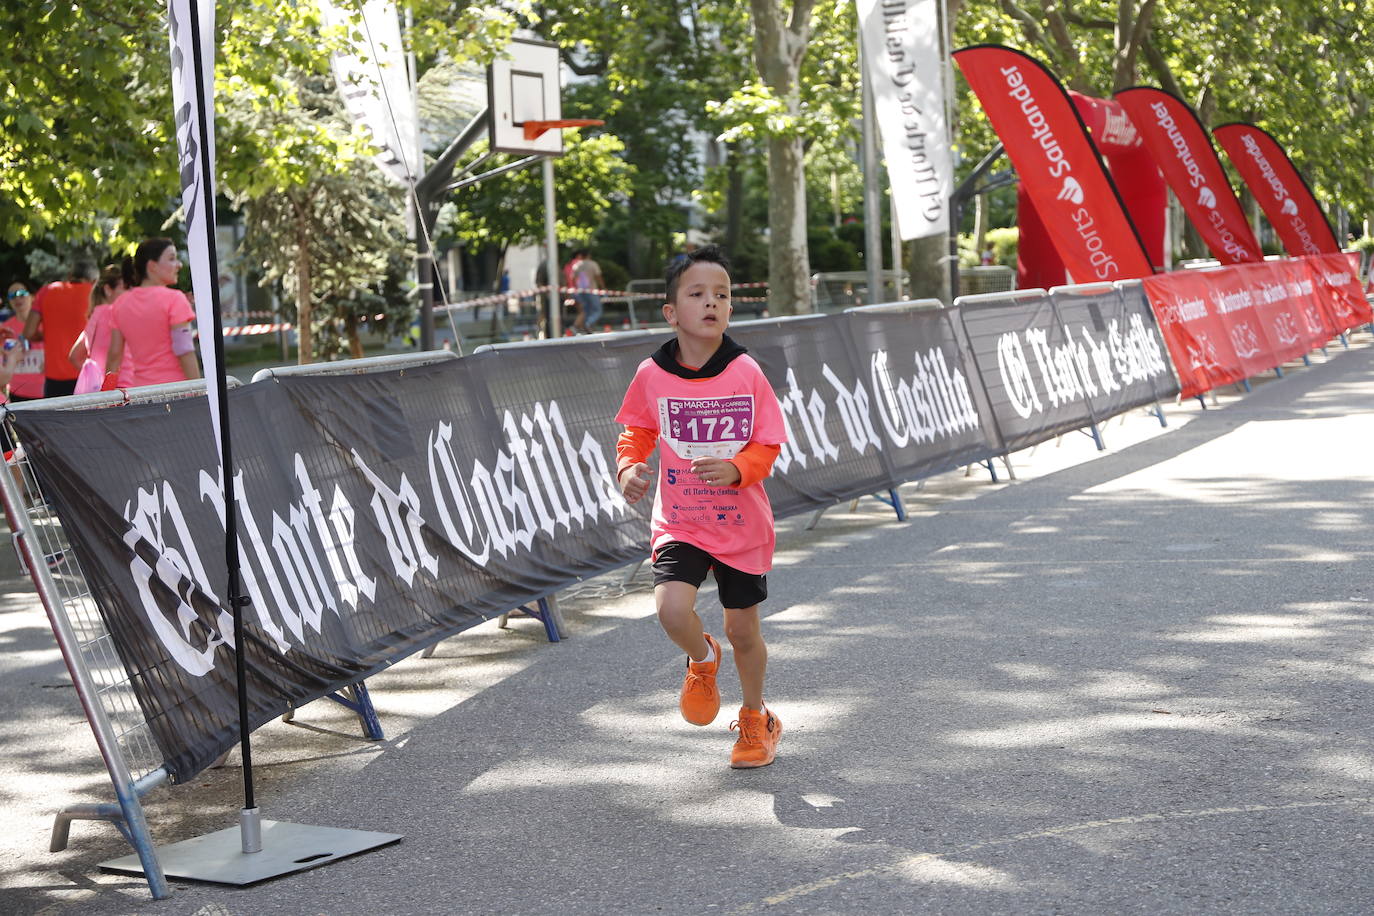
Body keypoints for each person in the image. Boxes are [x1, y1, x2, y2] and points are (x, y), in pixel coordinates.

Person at [613, 244, 788, 768]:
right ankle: (700, 657)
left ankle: (757, 721)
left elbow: (768, 443)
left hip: (740, 524)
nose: (711, 303)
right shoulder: (652, 373)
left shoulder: (745, 372)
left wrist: (739, 468)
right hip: (681, 521)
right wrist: (628, 467)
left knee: (743, 632)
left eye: (722, 295)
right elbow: (637, 430)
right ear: (671, 312)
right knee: (670, 609)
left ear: (731, 309)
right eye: (697, 294)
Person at [105, 239, 200, 388]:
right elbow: (184, 350)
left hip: (142, 394)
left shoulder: (120, 304)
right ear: (152, 266)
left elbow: (114, 355)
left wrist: (107, 395)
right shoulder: (175, 299)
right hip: (177, 393)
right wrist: (199, 391)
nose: (179, 265)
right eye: (172, 258)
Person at [24, 259, 96, 397]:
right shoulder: (93, 295)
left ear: (70, 275)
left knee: (55, 418)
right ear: (93, 281)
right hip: (86, 374)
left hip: (54, 378)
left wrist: (49, 335)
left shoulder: (47, 291)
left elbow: (28, 332)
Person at [69, 264, 133, 393]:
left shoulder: (95, 315)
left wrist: (97, 376)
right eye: (125, 287)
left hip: (102, 391)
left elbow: (75, 356)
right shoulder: (113, 313)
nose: (130, 292)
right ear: (108, 289)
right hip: (122, 391)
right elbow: (115, 355)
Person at [3, 281, 44, 401]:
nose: (17, 298)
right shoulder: (4, 329)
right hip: (17, 392)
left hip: (45, 392)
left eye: (21, 293)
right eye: (12, 296)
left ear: (32, 297)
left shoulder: (46, 324)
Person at [573, 248, 604, 333]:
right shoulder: (593, 264)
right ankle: (588, 324)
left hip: (581, 291)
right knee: (597, 310)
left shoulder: (577, 265)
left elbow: (573, 278)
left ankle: (586, 327)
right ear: (588, 255)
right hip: (592, 290)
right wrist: (603, 287)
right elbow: (598, 276)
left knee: (586, 310)